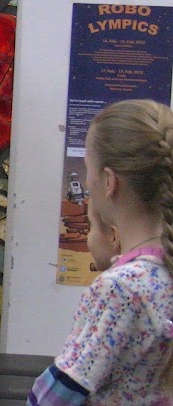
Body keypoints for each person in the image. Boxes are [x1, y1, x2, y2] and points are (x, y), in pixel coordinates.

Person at [28, 99, 173, 405]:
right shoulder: (162, 271)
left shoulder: (122, 288)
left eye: (88, 169)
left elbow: (59, 393)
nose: (86, 182)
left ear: (108, 181)